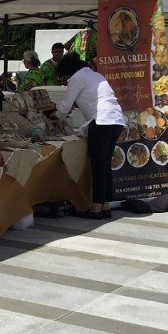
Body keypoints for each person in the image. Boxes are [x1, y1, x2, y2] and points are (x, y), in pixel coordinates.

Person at [54, 53, 125, 220]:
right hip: (116, 120)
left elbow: (65, 106)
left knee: (98, 167)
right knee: (106, 166)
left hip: (101, 122)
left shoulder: (76, 79)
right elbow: (90, 99)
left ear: (68, 70)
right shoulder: (95, 75)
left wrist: (54, 117)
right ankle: (105, 205)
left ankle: (95, 209)